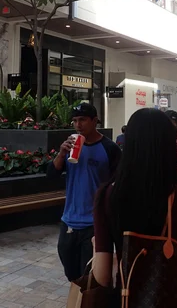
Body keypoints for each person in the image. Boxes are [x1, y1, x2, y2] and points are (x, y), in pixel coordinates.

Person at [93, 108, 177, 295]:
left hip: (126, 295)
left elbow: (102, 276)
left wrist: (96, 246)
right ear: (167, 146)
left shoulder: (108, 194)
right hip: (172, 297)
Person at [47, 103, 121, 282]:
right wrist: (61, 153)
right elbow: (51, 175)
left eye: (82, 120)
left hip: (95, 223)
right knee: (71, 272)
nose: (78, 125)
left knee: (90, 276)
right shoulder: (70, 146)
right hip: (69, 220)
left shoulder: (109, 148)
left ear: (95, 121)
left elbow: (118, 183)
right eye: (74, 121)